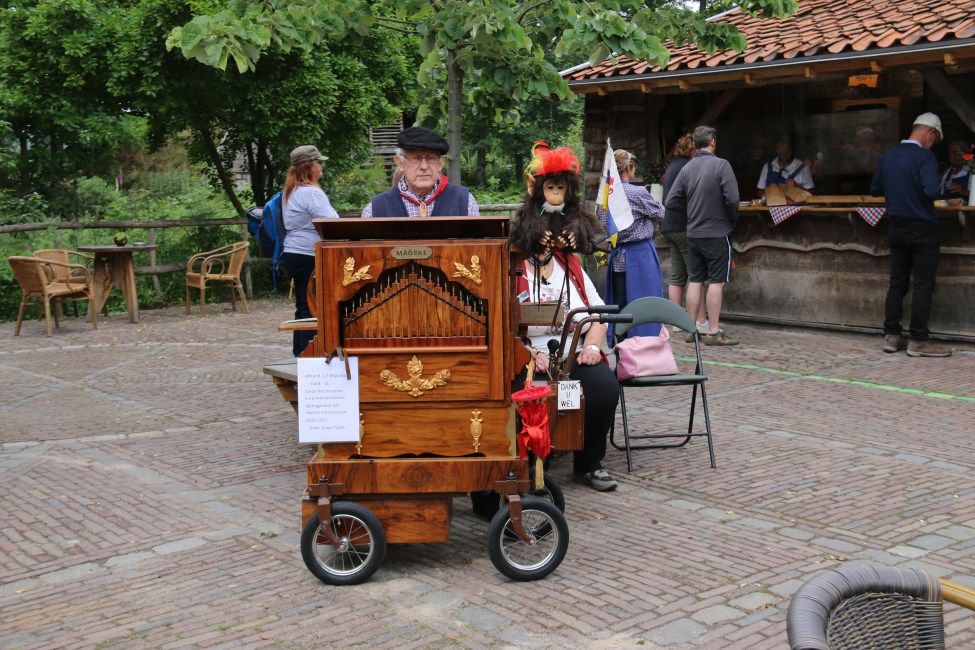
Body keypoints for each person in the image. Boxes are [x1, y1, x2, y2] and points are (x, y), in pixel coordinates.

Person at [517, 250, 620, 491]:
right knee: (532, 395)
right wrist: (528, 353)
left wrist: (593, 345)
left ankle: (588, 463)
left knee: (604, 389)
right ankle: (534, 462)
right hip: (532, 356)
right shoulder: (513, 268)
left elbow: (598, 313)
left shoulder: (569, 263)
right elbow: (501, 323)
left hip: (574, 351)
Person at [871, 113, 952, 358]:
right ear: (929, 132)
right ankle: (918, 340)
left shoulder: (889, 156)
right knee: (922, 286)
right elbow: (931, 190)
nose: (933, 144)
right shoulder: (925, 157)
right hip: (922, 227)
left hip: (896, 227)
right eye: (934, 139)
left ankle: (892, 336)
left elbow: (876, 189)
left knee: (897, 283)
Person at [664, 125, 740, 346]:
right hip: (717, 232)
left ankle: (691, 329)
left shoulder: (687, 168)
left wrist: (691, 212)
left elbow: (670, 202)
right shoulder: (721, 165)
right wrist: (731, 219)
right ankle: (714, 332)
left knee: (695, 279)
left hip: (693, 233)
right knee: (717, 281)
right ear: (713, 141)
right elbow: (733, 199)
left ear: (695, 144)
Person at [595, 149, 665, 339]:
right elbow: (659, 213)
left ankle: (621, 350)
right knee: (645, 303)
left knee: (620, 305)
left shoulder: (604, 197)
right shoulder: (637, 192)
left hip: (617, 256)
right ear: (628, 167)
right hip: (640, 255)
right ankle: (644, 347)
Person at [280, 145, 339, 357]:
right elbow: (332, 223)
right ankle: (309, 356)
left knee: (303, 306)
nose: (322, 166)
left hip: (294, 252)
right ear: (310, 166)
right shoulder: (311, 193)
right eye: (319, 162)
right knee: (314, 308)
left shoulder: (291, 191)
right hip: (309, 254)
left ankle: (300, 353)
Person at [362, 126, 479, 217]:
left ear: (440, 163)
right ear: (400, 163)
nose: (424, 166)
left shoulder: (465, 202)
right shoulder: (374, 210)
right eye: (416, 158)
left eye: (431, 158)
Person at [660, 133, 707, 337]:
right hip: (683, 227)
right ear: (693, 149)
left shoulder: (673, 165)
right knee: (696, 274)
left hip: (668, 226)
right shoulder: (687, 167)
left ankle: (677, 321)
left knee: (677, 275)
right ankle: (701, 321)